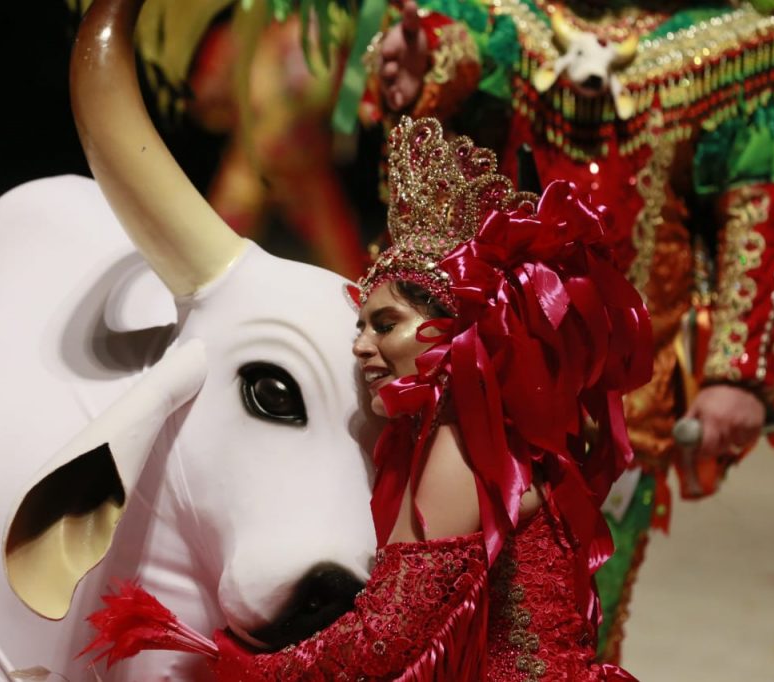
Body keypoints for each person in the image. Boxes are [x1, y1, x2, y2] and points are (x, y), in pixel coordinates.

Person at [83, 115, 652, 680]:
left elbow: (386, 637)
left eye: (385, 324)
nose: (360, 346)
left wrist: (242, 667)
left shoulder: (461, 449)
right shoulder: (467, 436)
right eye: (359, 327)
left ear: (452, 330)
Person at [363, 0, 774, 660]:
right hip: (473, 380)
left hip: (625, 406)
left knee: (569, 628)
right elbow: (457, 58)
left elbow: (758, 212)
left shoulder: (737, 48)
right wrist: (427, 59)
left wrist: (737, 374)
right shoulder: (502, 18)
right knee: (440, 614)